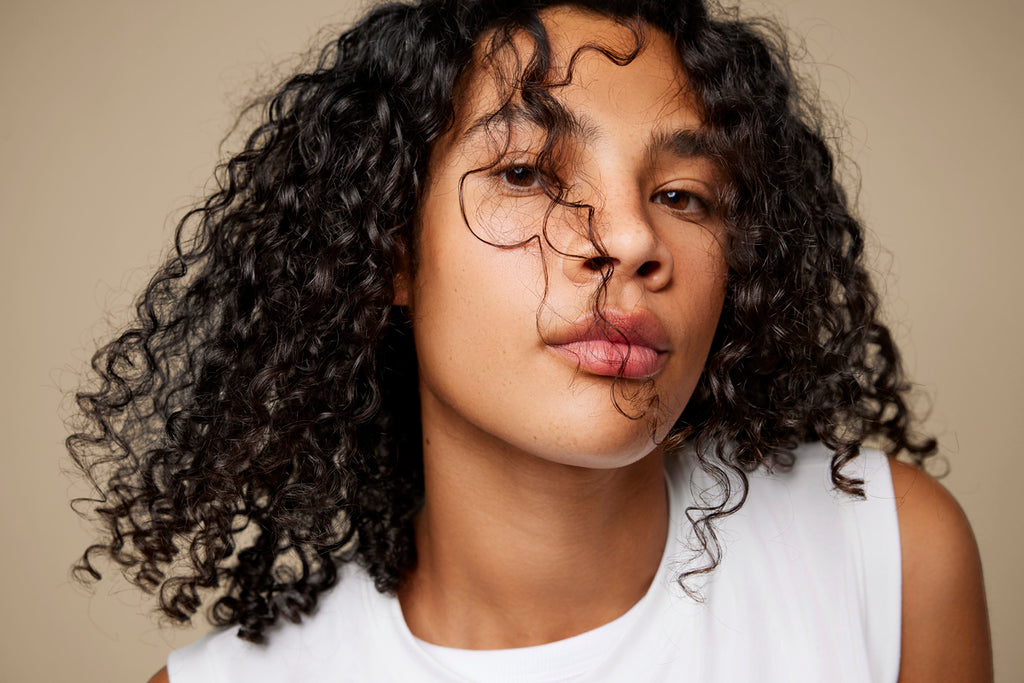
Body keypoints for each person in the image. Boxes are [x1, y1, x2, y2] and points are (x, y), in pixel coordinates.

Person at [67, 0, 991, 680]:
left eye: (682, 195)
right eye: (525, 171)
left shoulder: (890, 558)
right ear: (390, 247)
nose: (631, 238)